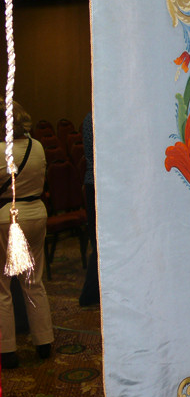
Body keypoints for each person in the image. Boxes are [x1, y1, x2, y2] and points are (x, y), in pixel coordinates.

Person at [0, 99, 54, 368]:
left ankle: (7, 350)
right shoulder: (38, 146)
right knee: (34, 281)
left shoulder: (2, 150)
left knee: (3, 288)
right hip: (36, 214)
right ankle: (44, 342)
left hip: (7, 219)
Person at [79, 111, 100, 306]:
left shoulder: (89, 117)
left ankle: (94, 293)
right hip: (100, 184)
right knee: (100, 242)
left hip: (94, 183)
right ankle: (91, 294)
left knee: (98, 241)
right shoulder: (97, 117)